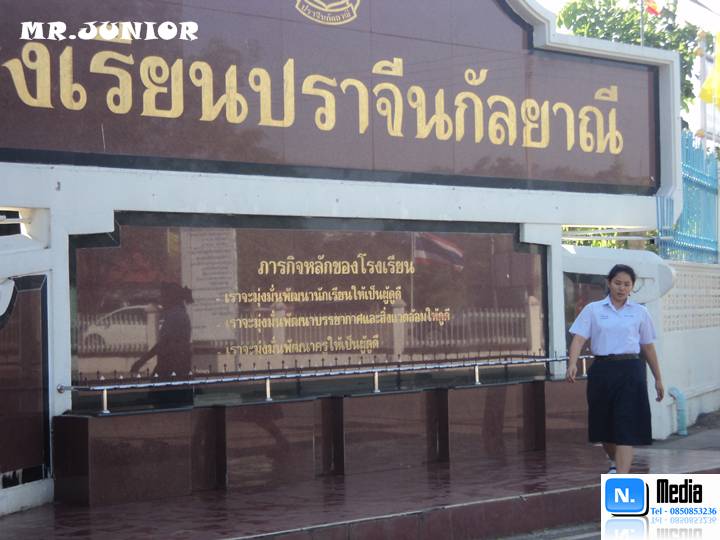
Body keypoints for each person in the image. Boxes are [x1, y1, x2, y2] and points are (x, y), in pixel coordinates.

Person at [565, 264, 664, 474]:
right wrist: (572, 363)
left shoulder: (640, 312)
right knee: (604, 426)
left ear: (632, 287)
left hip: (631, 371)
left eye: (627, 284)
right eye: (618, 283)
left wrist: (658, 378)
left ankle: (621, 478)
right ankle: (613, 460)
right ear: (609, 283)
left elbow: (648, 346)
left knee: (626, 426)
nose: (622, 288)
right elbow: (579, 339)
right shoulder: (593, 310)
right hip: (603, 370)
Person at [131, 282, 194, 407]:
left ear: (171, 298)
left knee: (166, 403)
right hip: (176, 364)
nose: (161, 300)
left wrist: (142, 360)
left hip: (172, 365)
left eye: (163, 296)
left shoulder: (175, 316)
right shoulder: (177, 314)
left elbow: (164, 343)